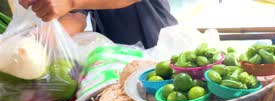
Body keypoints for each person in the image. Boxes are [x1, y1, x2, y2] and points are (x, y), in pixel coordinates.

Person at [19, 0, 178, 49]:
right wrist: (34, 42)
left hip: (162, 50)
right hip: (119, 63)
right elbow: (75, 19)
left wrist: (70, 1)